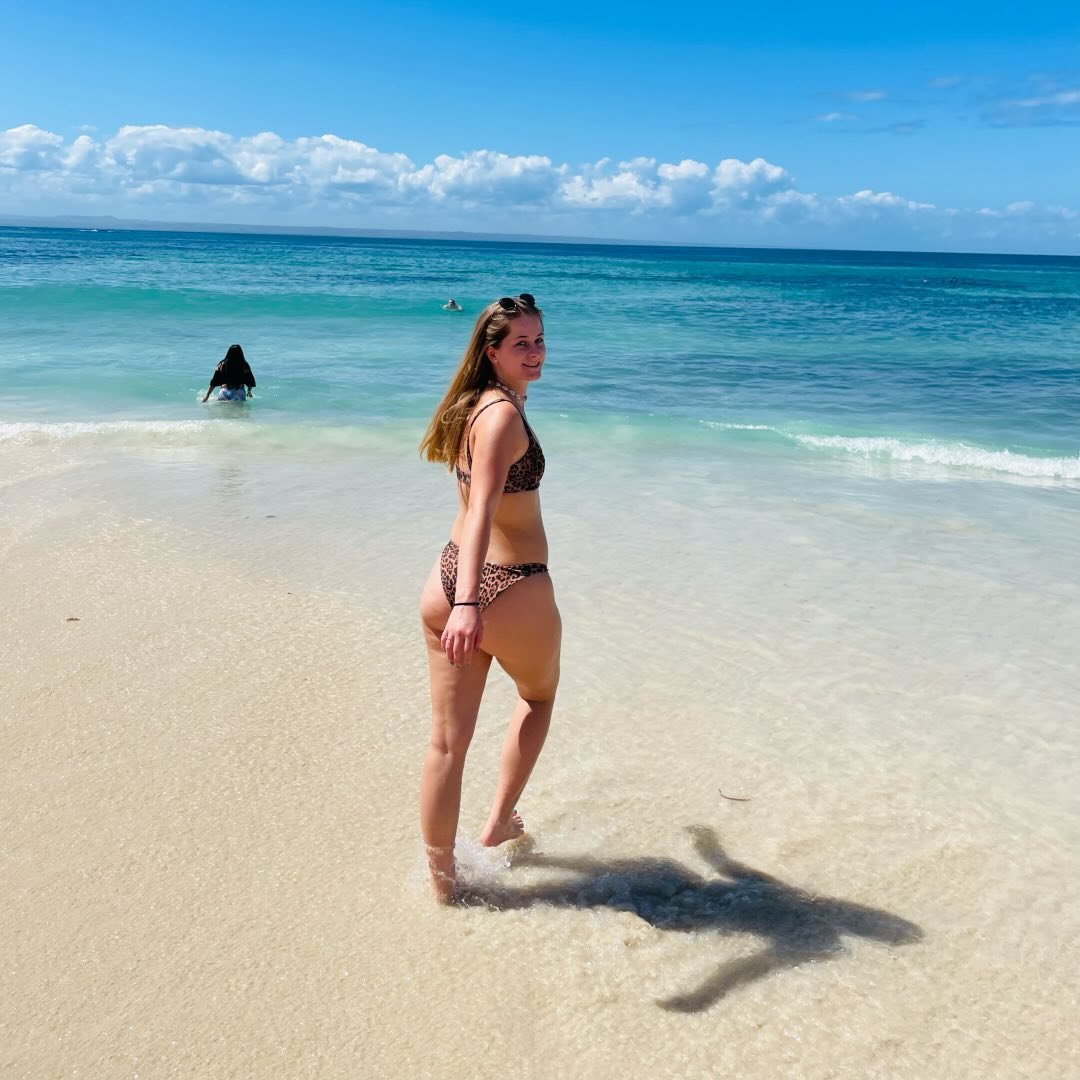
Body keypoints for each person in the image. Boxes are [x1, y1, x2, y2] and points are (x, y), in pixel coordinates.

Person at [417, 293, 560, 903]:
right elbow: (482, 511)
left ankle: (443, 887)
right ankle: (498, 822)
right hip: (504, 585)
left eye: (539, 339)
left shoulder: (473, 405)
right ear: (492, 351)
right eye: (520, 343)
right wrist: (471, 605)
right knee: (538, 697)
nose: (535, 352)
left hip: (447, 578)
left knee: (447, 743)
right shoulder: (502, 416)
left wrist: (459, 598)